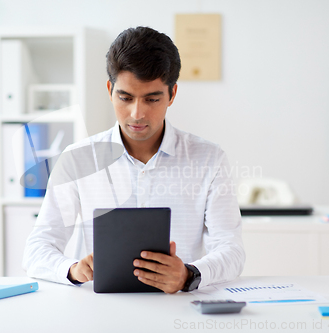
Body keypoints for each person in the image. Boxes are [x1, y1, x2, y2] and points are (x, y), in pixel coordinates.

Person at [23, 26, 245, 293]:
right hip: (99, 312)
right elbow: (37, 249)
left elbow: (232, 251)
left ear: (172, 94)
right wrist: (72, 270)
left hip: (177, 308)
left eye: (152, 99)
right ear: (110, 89)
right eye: (125, 98)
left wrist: (189, 274)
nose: (137, 114)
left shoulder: (209, 159)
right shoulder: (78, 159)